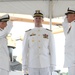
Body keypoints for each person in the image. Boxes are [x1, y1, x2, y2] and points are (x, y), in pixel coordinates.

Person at [22, 10, 56, 75]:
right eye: (36, 18)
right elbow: (24, 51)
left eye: (40, 18)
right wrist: (24, 65)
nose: (38, 20)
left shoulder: (48, 33)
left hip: (45, 64)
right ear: (33, 20)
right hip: (32, 64)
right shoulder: (28, 33)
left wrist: (53, 64)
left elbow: (52, 50)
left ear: (42, 20)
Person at [62, 8, 75, 75]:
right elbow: (64, 24)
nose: (66, 17)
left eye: (68, 15)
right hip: (71, 60)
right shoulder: (70, 26)